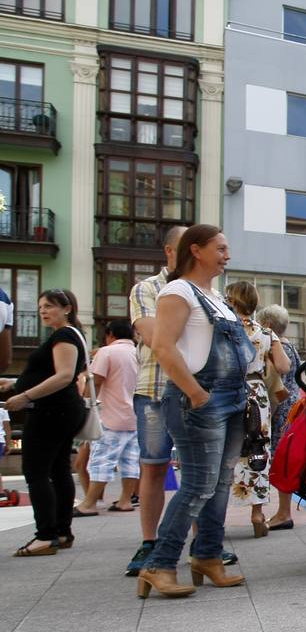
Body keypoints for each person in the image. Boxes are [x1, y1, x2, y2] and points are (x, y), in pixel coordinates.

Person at [136, 225, 251, 598]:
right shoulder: (177, 291)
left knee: (219, 485)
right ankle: (158, 564)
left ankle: (208, 557)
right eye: (221, 248)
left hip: (230, 399)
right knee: (199, 486)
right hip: (201, 401)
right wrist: (197, 394)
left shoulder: (214, 295)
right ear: (196, 250)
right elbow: (163, 347)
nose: (227, 255)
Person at [125, 225, 222, 577]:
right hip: (156, 388)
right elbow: (155, 336)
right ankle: (150, 543)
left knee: (202, 470)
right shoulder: (147, 289)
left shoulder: (208, 290)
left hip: (201, 391)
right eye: (186, 247)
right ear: (171, 251)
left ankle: (203, 544)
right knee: (153, 466)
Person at [1, 289, 87, 555]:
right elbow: (53, 374)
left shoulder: (64, 335)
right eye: (40, 306)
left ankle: (46, 535)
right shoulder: (67, 335)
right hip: (60, 411)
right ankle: (61, 532)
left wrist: (24, 395)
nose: (43, 311)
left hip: (52, 412)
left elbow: (63, 376)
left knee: (36, 471)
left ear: (67, 309)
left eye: (49, 306)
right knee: (59, 470)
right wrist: (16, 383)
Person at [225, 281, 290, 537]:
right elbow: (284, 367)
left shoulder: (223, 329)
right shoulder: (265, 332)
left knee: (224, 451)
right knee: (257, 451)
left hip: (227, 392)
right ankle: (258, 513)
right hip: (257, 396)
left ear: (231, 301)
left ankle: (214, 517)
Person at [73, 320, 140, 516]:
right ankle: (125, 501)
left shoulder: (107, 352)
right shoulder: (138, 352)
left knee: (101, 460)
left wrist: (85, 405)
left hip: (110, 415)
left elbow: (97, 382)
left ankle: (90, 503)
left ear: (110, 334)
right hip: (134, 417)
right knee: (130, 462)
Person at [259, 304, 301, 530]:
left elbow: (275, 386)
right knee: (284, 460)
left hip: (280, 411)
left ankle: (283, 512)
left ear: (267, 326)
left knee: (279, 460)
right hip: (293, 408)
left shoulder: (276, 350)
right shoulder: (291, 347)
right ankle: (283, 511)